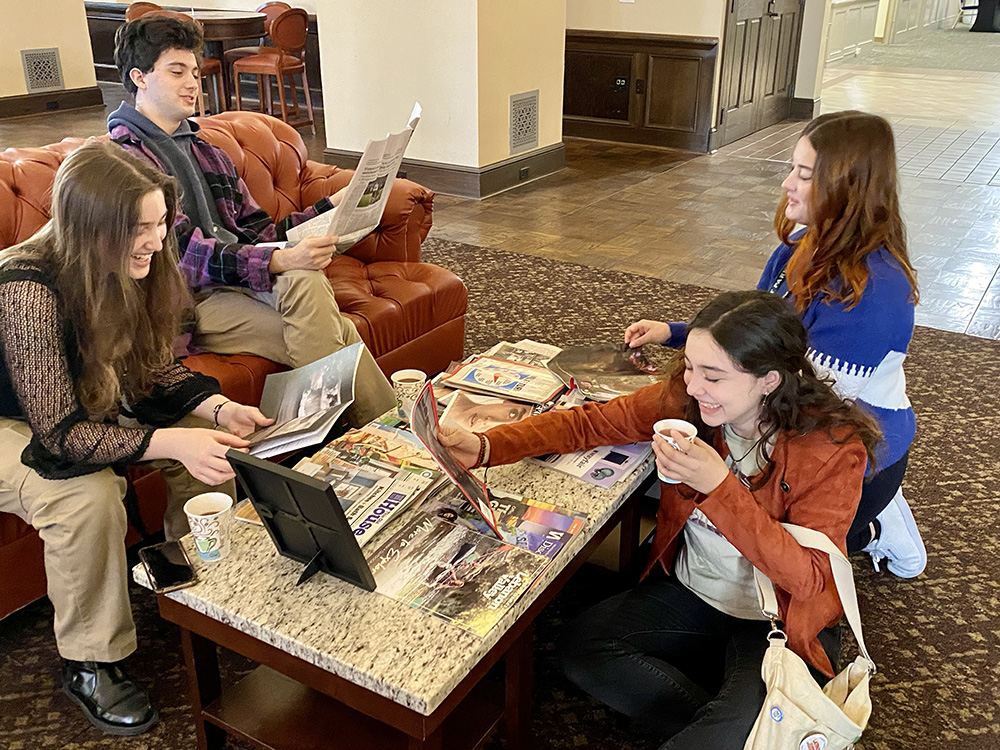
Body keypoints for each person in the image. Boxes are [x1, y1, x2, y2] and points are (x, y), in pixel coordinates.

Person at [441, 290, 881, 748]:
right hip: (693, 592)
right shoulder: (690, 402)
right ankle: (750, 730)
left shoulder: (830, 449)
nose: (693, 386)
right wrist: (487, 446)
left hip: (777, 620)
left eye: (713, 376)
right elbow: (592, 423)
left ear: (769, 380)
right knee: (581, 651)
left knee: (715, 732)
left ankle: (742, 727)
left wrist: (719, 488)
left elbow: (809, 580)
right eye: (690, 366)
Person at [0, 142, 273, 735]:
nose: (155, 240)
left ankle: (201, 586)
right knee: (86, 499)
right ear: (91, 229)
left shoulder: (129, 264)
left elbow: (153, 370)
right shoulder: (25, 285)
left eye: (157, 223)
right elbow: (61, 434)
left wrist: (219, 407)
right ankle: (89, 660)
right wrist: (171, 442)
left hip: (76, 402)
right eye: (139, 229)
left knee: (206, 434)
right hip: (14, 421)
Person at [624, 110, 925, 578]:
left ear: (847, 187)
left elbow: (812, 413)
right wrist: (675, 331)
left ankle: (871, 528)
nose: (787, 183)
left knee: (755, 533)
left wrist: (721, 473)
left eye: (803, 174)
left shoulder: (878, 293)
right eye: (792, 168)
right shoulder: (800, 246)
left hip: (850, 447)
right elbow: (753, 333)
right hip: (795, 408)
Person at [109, 15, 395, 428]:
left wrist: (329, 208)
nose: (192, 82)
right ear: (139, 77)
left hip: (238, 282)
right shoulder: (126, 160)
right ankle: (388, 437)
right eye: (176, 72)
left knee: (315, 299)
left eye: (193, 70)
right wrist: (279, 262)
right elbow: (181, 257)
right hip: (187, 302)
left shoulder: (205, 150)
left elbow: (259, 234)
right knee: (334, 328)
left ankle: (358, 447)